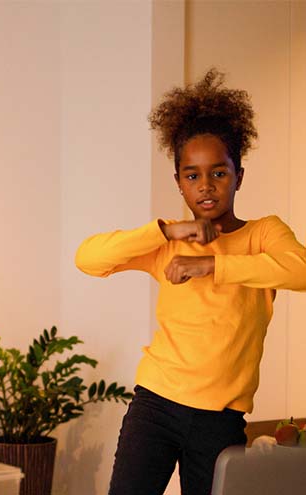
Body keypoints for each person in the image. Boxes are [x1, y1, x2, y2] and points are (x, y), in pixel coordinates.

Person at [75, 69, 306, 495]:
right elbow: (88, 259)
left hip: (219, 418)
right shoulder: (170, 239)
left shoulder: (263, 234)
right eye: (192, 175)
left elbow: (300, 270)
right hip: (155, 407)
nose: (206, 187)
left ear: (239, 174)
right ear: (178, 181)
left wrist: (213, 266)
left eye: (219, 173)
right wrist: (164, 231)